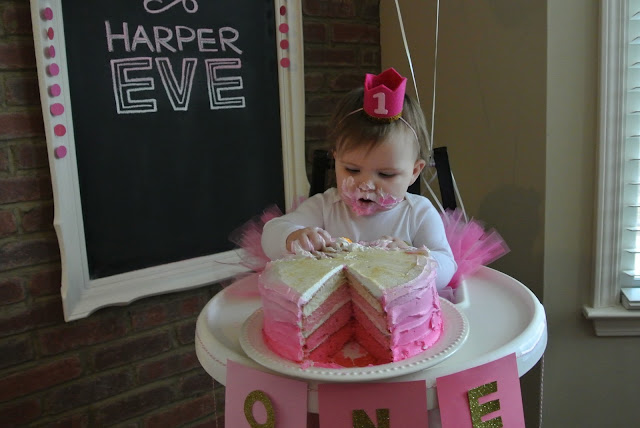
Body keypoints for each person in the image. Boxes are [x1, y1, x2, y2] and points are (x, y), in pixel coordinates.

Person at [261, 68, 456, 289]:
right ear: (336, 160)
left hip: (396, 306)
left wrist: (411, 258)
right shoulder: (326, 207)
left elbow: (447, 265)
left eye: (385, 174)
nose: (366, 185)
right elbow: (271, 233)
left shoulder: (418, 213)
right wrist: (293, 237)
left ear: (414, 172)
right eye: (352, 170)